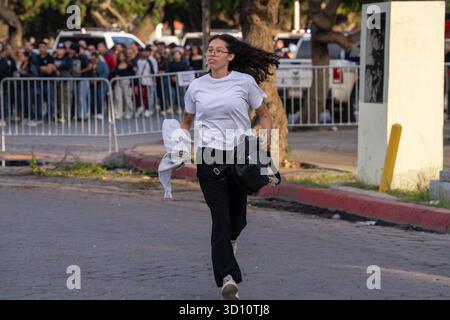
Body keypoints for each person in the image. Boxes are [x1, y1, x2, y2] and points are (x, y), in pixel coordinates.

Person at [180, 34, 278, 300]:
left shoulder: (244, 82)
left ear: (231, 56)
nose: (211, 54)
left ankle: (231, 242)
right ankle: (227, 279)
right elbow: (186, 122)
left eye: (218, 50)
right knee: (220, 218)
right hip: (208, 157)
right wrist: (178, 146)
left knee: (237, 220)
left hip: (240, 156)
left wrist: (266, 148)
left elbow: (265, 117)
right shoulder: (197, 86)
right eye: (209, 50)